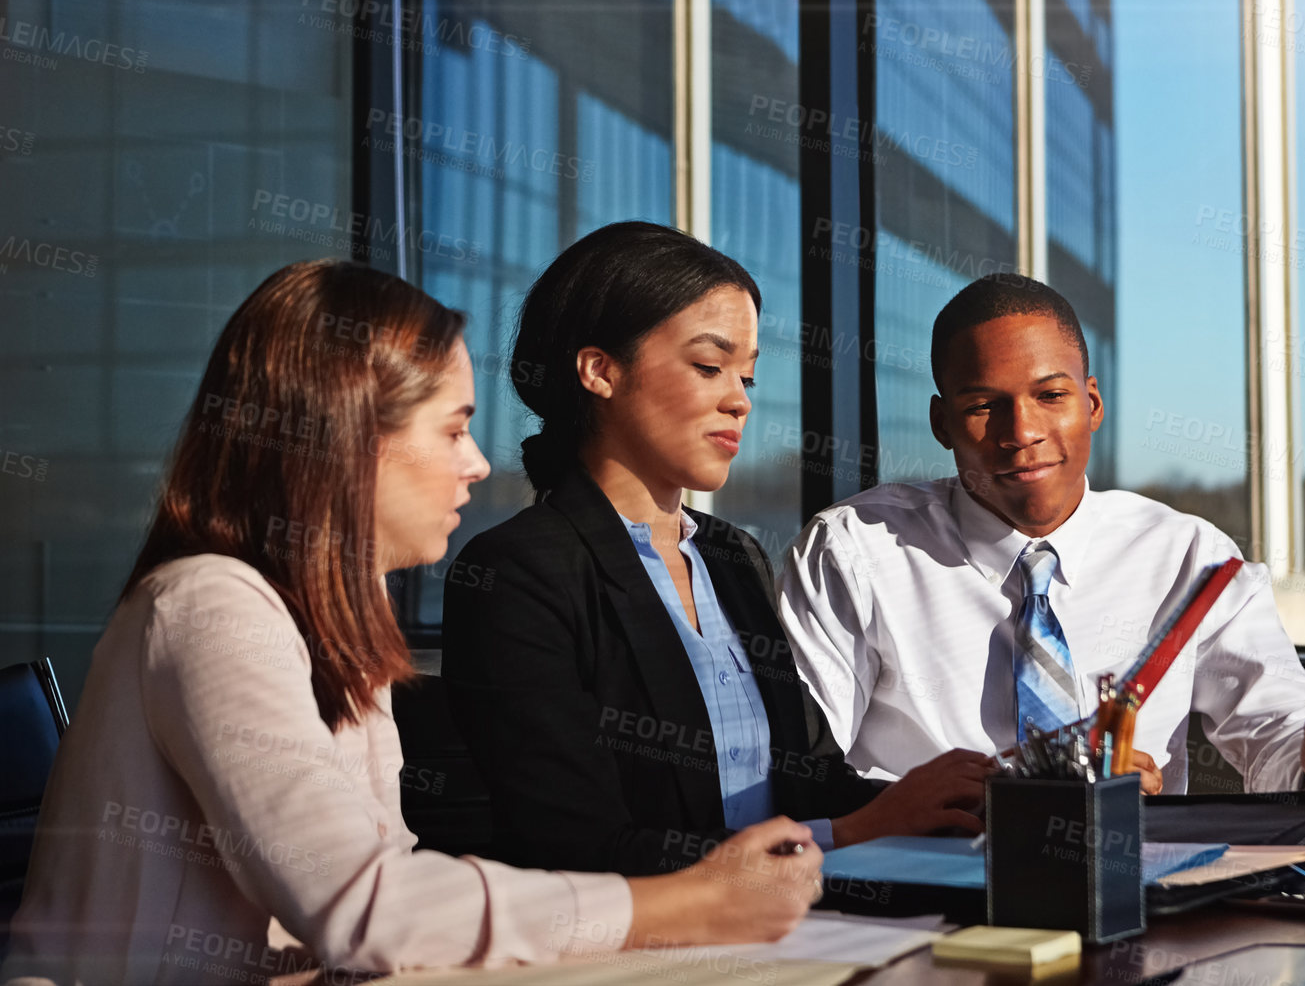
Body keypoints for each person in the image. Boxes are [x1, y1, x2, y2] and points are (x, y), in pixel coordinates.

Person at [3, 260, 824, 986]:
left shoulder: (327, 622)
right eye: (456, 429)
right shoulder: (211, 606)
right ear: (347, 436)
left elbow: (381, 890)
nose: (477, 463)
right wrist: (685, 903)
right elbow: (363, 907)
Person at [441, 221, 995, 879]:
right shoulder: (517, 573)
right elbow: (575, 853)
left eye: (748, 377)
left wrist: (960, 801)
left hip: (791, 930)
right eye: (709, 366)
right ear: (599, 371)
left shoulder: (732, 557)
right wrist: (849, 832)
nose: (738, 402)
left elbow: (810, 784)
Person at [778, 272, 1305, 803]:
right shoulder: (853, 552)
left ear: (1093, 405)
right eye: (982, 406)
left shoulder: (1188, 558)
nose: (1021, 430)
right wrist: (1029, 786)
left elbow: (1275, 728)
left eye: (1051, 396)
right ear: (943, 424)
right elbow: (801, 776)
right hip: (919, 907)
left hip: (1139, 902)